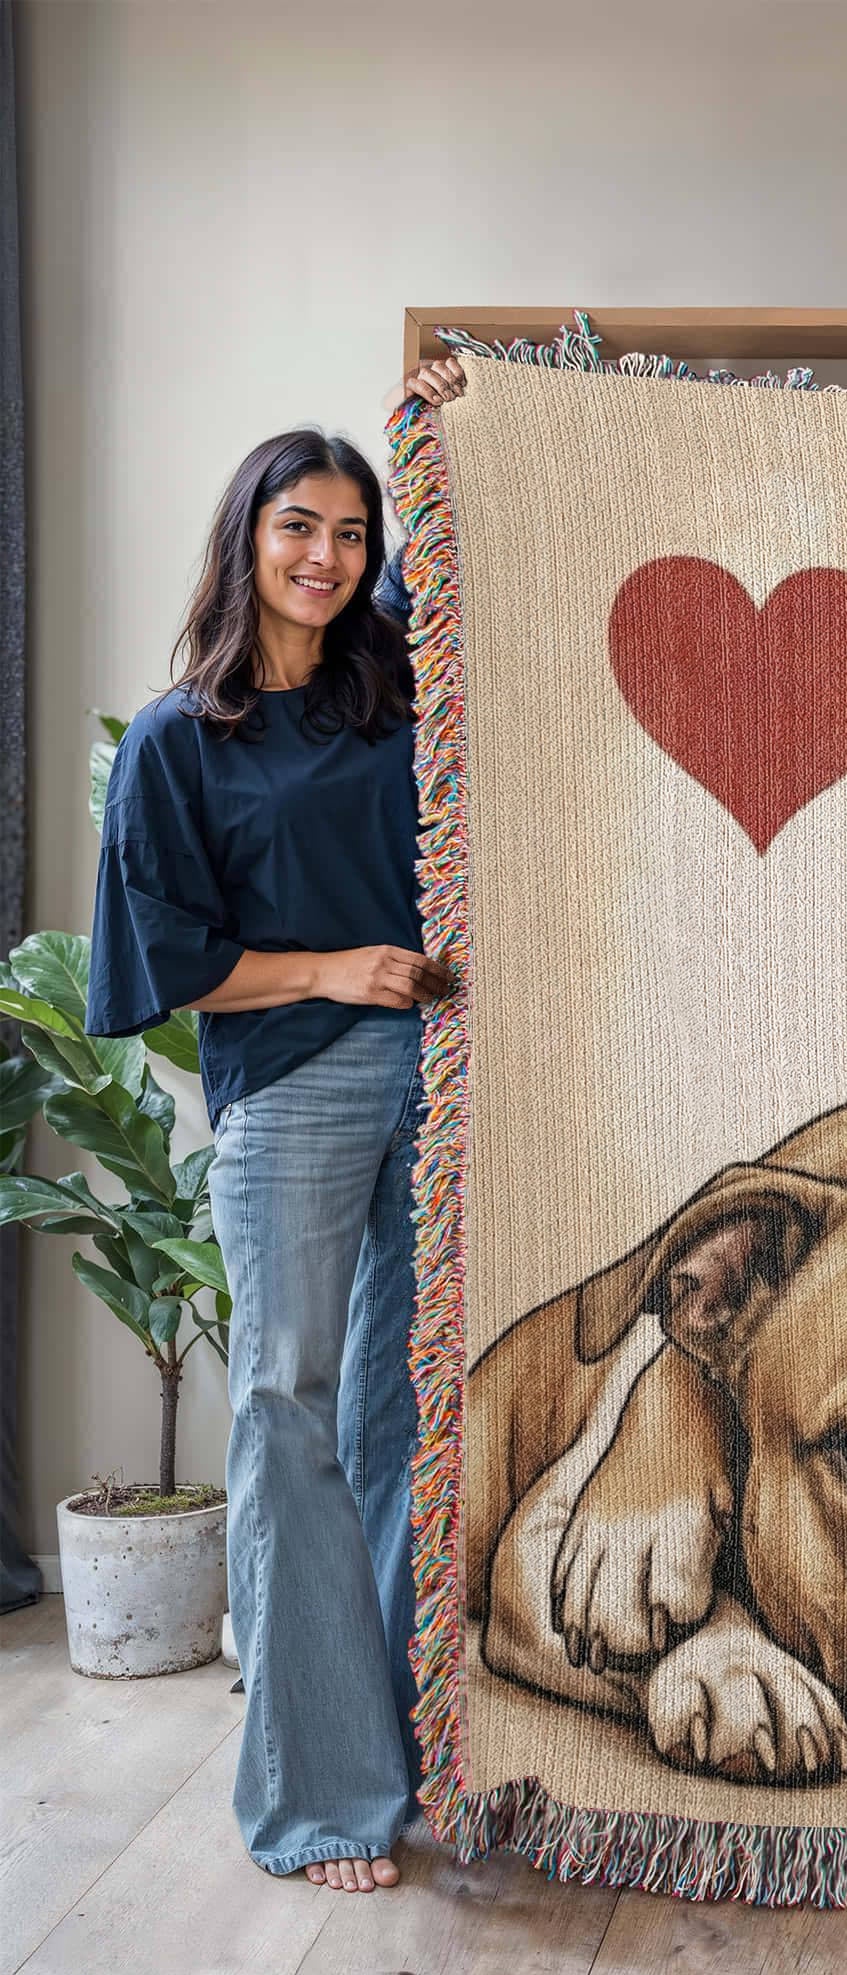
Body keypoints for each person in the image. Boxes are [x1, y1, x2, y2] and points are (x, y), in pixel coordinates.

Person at [86, 429, 450, 1892]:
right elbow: (162, 964)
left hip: (437, 1083)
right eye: (298, 528)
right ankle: (314, 1800)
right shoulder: (185, 737)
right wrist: (331, 971)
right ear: (247, 537)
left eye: (351, 535)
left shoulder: (395, 686)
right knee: (287, 1414)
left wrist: (433, 423)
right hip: (290, 1093)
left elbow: (471, 562)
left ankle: (390, 1754)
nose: (326, 558)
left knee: (399, 1419)